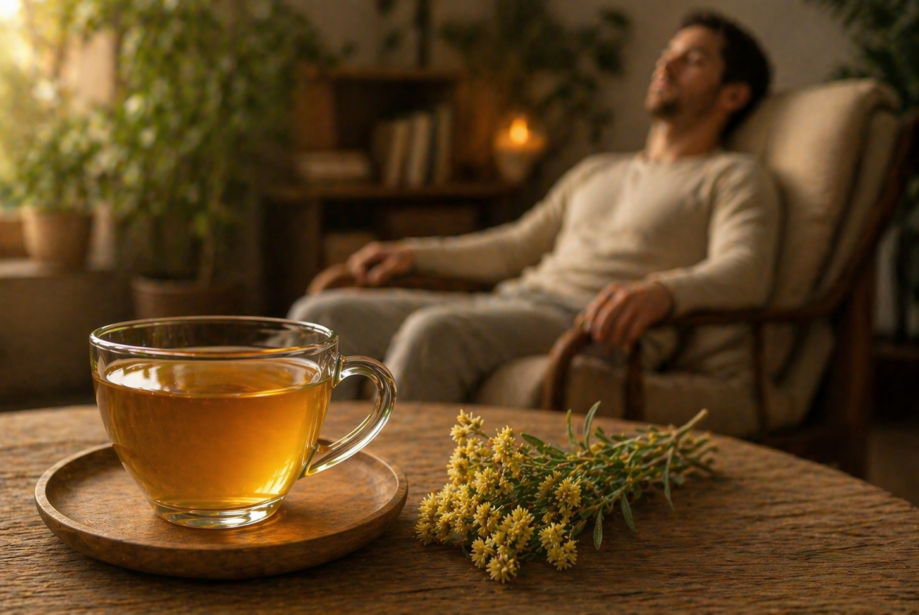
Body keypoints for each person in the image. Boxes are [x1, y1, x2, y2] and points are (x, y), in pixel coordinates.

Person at [289, 10, 780, 404]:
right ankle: (286, 476)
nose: (666, 66)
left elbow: (746, 271)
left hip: (590, 325)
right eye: (668, 53)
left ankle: (398, 501)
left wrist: (659, 293)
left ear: (733, 94)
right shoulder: (598, 170)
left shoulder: (734, 177)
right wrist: (414, 254)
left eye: (692, 60)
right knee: (322, 315)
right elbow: (515, 245)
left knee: (435, 331)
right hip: (512, 302)